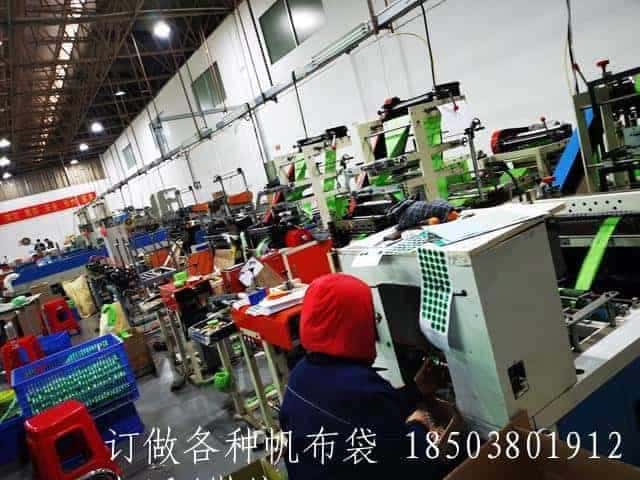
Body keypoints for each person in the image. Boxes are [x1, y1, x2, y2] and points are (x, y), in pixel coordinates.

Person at [280, 273, 448, 479]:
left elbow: (363, 414)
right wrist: (419, 427)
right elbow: (410, 465)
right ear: (355, 324)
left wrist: (414, 390)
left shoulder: (300, 374)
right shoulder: (362, 387)